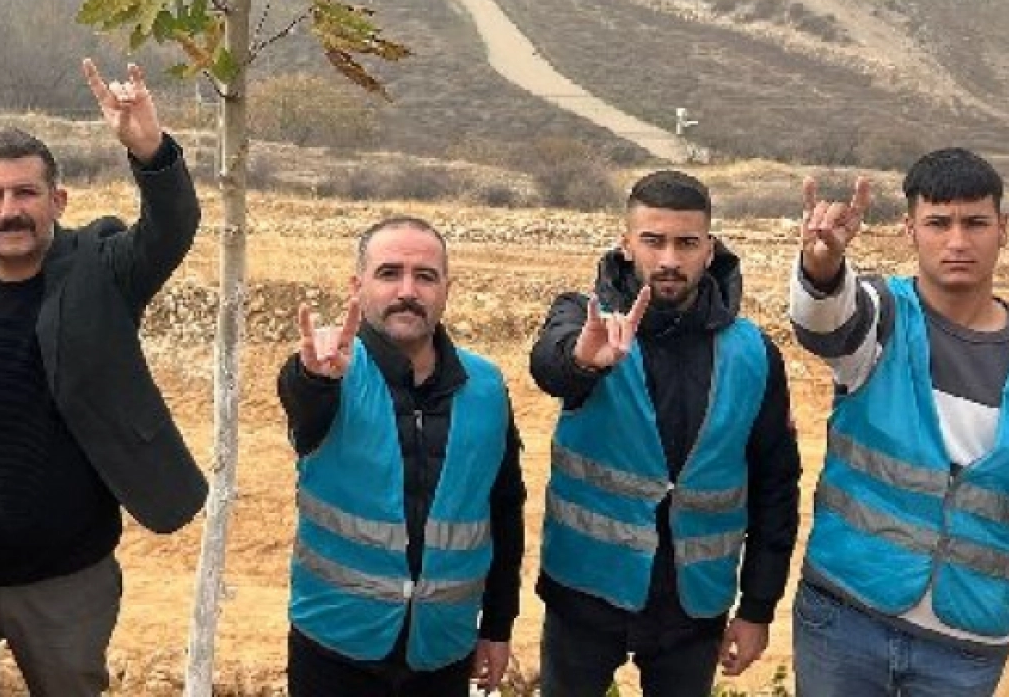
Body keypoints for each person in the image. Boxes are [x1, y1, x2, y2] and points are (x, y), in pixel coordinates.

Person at [0, 58, 206, 696]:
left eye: (25, 193)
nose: (9, 210)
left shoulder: (102, 271)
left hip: (68, 582)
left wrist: (149, 149)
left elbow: (172, 227)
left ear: (58, 201)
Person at [790, 147, 1009, 696]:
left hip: (969, 648)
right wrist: (822, 265)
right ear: (909, 230)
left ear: (1004, 230)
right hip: (845, 620)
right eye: (938, 223)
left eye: (975, 223)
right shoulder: (881, 314)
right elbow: (822, 323)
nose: (957, 241)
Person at [530, 169, 801, 697]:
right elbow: (550, 364)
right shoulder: (583, 319)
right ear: (627, 245)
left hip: (693, 604)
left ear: (710, 249)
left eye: (686, 243)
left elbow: (775, 487)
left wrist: (758, 608)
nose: (670, 259)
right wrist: (583, 361)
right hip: (585, 591)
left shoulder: (754, 354)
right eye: (653, 241)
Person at [280, 215, 525, 697]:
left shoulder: (487, 388)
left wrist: (497, 627)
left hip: (441, 652)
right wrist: (312, 377)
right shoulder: (331, 370)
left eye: (425, 276)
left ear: (446, 289)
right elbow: (302, 399)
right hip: (335, 646)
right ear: (358, 285)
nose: (407, 290)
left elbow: (503, 512)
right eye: (389, 273)